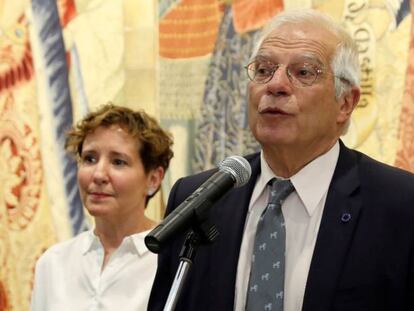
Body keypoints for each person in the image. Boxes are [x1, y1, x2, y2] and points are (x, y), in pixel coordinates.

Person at [148, 9, 414, 311]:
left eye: (303, 72)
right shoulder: (199, 199)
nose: (275, 85)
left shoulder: (400, 205)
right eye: (263, 70)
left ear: (345, 103)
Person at [30, 103, 173, 311]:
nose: (98, 175)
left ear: (153, 179)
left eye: (118, 162)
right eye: (89, 159)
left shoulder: (171, 262)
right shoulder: (53, 263)